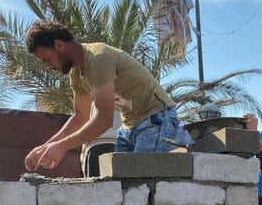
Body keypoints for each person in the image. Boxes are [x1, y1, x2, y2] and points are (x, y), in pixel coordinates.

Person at [23, 20, 180, 176]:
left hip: (157, 118)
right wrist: (46, 147)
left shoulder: (98, 58)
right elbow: (81, 117)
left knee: (139, 181)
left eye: (47, 60)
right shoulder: (77, 74)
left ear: (59, 45)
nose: (49, 68)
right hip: (130, 126)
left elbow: (103, 121)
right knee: (120, 184)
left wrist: (62, 147)